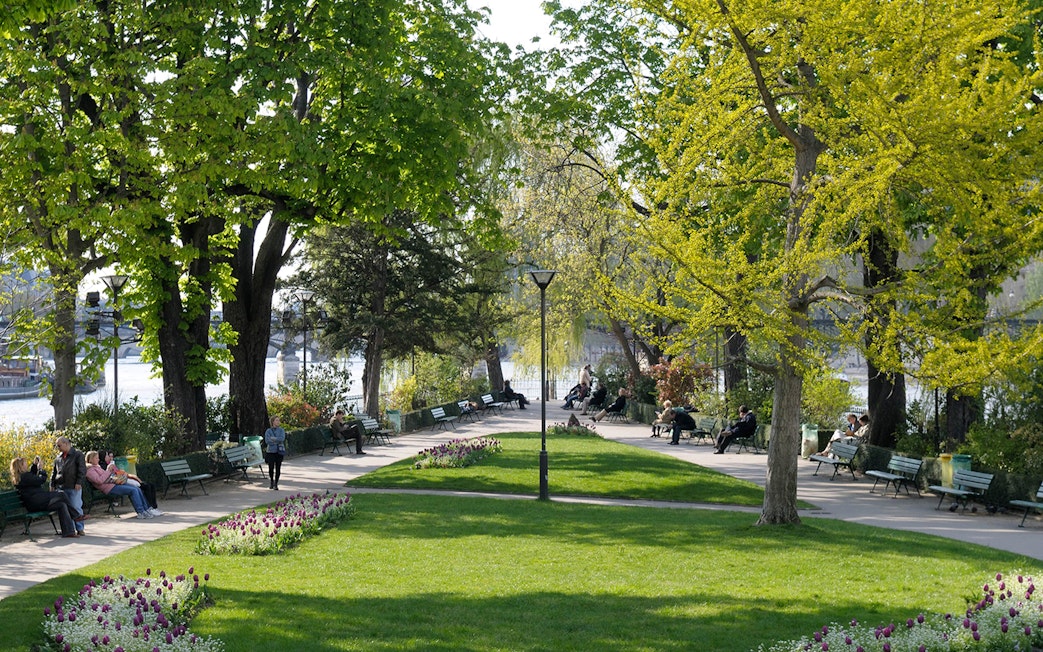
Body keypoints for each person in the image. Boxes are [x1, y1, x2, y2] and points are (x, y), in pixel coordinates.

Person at [10, 457, 81, 538]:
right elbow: (41, 480)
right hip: (37, 503)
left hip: (36, 503)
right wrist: (40, 469)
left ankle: (68, 532)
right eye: (25, 463)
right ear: (21, 466)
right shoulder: (25, 477)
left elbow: (32, 478)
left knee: (62, 505)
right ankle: (76, 516)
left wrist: (34, 465)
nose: (27, 464)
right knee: (61, 494)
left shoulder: (21, 477)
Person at [85, 451, 158, 519]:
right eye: (96, 458)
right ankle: (141, 512)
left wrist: (113, 471)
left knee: (137, 488)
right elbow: (99, 481)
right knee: (133, 490)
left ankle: (146, 509)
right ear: (91, 459)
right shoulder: (90, 471)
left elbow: (107, 476)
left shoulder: (97, 467)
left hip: (113, 484)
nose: (98, 459)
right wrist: (108, 471)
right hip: (109, 488)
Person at [51, 436, 87, 536]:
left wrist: (79, 482)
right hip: (61, 486)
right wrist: (52, 484)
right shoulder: (58, 457)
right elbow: (54, 472)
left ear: (66, 444)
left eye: (59, 445)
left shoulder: (77, 455)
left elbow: (82, 470)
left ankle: (80, 528)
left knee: (75, 506)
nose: (58, 448)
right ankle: (70, 529)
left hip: (73, 485)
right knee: (66, 509)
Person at [264, 415, 287, 490]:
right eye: (276, 420)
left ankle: (276, 483)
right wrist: (276, 441)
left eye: (278, 420)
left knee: (278, 467)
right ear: (273, 421)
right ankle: (271, 481)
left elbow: (282, 439)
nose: (278, 422)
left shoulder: (281, 430)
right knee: (271, 468)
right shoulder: (268, 431)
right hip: (271, 451)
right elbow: (267, 441)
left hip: (279, 451)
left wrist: (273, 439)